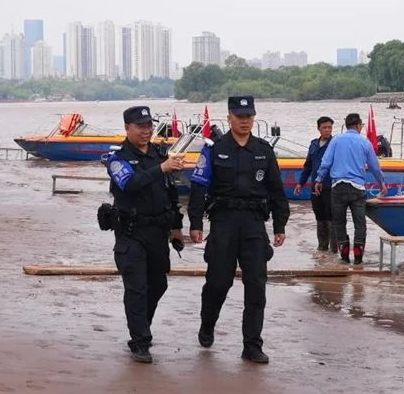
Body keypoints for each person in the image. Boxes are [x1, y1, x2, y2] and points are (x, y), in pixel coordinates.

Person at [188, 95, 290, 364]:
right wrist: (196, 223)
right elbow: (198, 187)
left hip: (254, 224)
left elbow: (276, 191)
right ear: (229, 118)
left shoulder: (263, 150)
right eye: (239, 117)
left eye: (249, 117)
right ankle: (207, 324)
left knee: (256, 285)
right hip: (223, 224)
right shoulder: (214, 149)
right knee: (218, 283)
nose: (245, 121)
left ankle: (252, 345)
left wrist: (280, 224)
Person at [104, 106, 186, 363]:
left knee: (158, 284)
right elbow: (130, 183)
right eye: (140, 126)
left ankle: (142, 327)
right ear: (127, 128)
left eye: (149, 126)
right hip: (131, 234)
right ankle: (139, 340)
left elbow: (171, 194)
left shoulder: (160, 155)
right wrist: (162, 168)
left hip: (157, 232)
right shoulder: (117, 158)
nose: (146, 131)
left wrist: (177, 227)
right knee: (136, 288)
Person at [314, 113, 387, 265]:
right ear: (358, 126)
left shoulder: (336, 140)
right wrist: (382, 184)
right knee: (360, 223)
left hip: (338, 187)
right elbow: (374, 166)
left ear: (346, 126)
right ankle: (358, 258)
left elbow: (325, 163)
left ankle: (344, 256)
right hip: (357, 188)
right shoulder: (365, 142)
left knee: (339, 222)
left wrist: (319, 179)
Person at [295, 116, 337, 253]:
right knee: (319, 215)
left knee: (331, 215)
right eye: (324, 127)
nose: (327, 130)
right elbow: (308, 166)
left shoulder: (335, 144)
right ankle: (322, 246)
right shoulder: (313, 144)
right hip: (315, 186)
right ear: (318, 128)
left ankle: (334, 248)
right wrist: (301, 183)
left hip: (330, 186)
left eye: (329, 127)